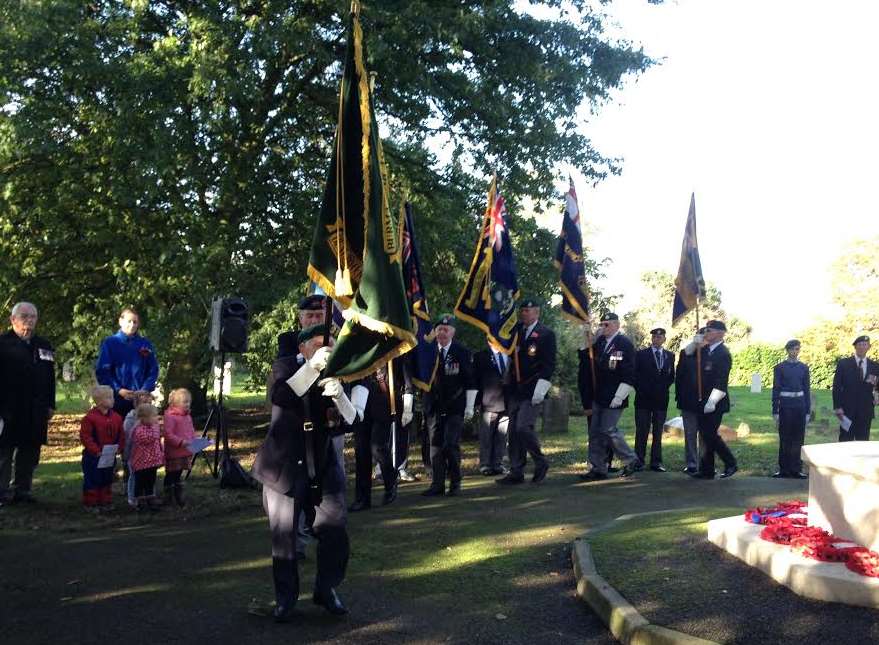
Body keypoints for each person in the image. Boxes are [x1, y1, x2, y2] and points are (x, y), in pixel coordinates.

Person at [251, 324, 355, 621]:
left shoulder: (339, 372)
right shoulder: (283, 367)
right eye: (321, 344)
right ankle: (285, 599)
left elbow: (350, 422)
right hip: (283, 466)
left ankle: (326, 589)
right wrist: (311, 368)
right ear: (303, 347)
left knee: (335, 531)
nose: (328, 350)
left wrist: (341, 398)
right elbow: (282, 396)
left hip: (322, 465)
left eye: (331, 345)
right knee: (284, 538)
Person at [0, 302, 56, 506]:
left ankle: (22, 490)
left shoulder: (44, 345)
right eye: (24, 316)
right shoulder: (3, 344)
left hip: (36, 408)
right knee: (4, 451)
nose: (29, 320)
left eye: (33, 316)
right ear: (13, 319)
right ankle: (2, 492)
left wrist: (50, 404)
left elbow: (50, 377)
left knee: (30, 451)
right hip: (8, 408)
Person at [498, 299, 554, 485]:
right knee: (513, 431)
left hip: (533, 388)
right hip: (516, 388)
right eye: (522, 311)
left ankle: (540, 461)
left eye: (528, 311)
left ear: (537, 313)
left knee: (523, 426)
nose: (524, 314)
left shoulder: (546, 334)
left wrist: (541, 389)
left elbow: (549, 365)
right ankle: (516, 470)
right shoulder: (516, 332)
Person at [578, 312, 639, 481]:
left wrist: (620, 396)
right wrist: (586, 343)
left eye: (607, 324)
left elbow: (630, 373)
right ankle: (598, 467)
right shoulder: (599, 343)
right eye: (602, 324)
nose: (603, 327)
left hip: (615, 395)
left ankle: (631, 459)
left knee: (608, 429)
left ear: (617, 325)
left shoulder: (624, 344)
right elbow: (586, 362)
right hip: (599, 395)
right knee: (595, 432)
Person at [349, 357, 413, 511]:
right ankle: (362, 498)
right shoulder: (359, 355)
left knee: (377, 448)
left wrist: (407, 408)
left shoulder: (394, 355)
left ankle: (390, 483)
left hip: (384, 406)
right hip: (360, 405)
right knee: (362, 452)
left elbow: (407, 383)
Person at [422, 315, 475, 496]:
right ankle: (437, 484)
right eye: (439, 329)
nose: (442, 332)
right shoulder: (427, 351)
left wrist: (470, 406)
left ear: (453, 332)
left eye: (446, 329)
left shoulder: (462, 352)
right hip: (433, 406)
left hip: (455, 406)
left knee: (450, 445)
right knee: (435, 446)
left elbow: (470, 380)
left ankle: (455, 482)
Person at [687, 320, 737, 479]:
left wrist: (712, 401)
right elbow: (687, 354)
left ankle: (730, 462)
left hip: (715, 401)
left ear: (721, 333)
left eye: (709, 330)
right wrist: (694, 344)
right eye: (706, 330)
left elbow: (721, 381)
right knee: (705, 434)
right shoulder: (706, 350)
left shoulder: (723, 353)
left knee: (709, 434)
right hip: (702, 400)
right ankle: (707, 470)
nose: (706, 333)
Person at [95, 308, 159, 417]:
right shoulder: (110, 343)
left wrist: (144, 389)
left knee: (142, 432)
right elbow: (103, 371)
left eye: (135, 322)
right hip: (116, 399)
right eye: (129, 321)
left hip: (141, 400)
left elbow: (153, 370)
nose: (132, 325)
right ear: (121, 321)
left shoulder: (145, 343)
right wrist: (118, 390)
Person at [633, 327, 675, 472]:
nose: (657, 339)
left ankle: (656, 462)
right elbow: (634, 375)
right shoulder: (641, 354)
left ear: (664, 339)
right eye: (654, 337)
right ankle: (638, 460)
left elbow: (671, 376)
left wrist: (661, 388)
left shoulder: (670, 355)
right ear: (651, 339)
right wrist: (642, 389)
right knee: (642, 431)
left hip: (661, 399)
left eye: (660, 337)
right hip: (643, 399)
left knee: (658, 432)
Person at [79, 385, 124, 511]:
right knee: (92, 478)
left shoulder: (116, 417)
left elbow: (121, 434)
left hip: (110, 454)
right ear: (99, 402)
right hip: (93, 456)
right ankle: (91, 502)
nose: (113, 400)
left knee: (107, 478)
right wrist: (95, 450)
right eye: (109, 398)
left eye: (112, 397)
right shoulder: (90, 418)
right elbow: (86, 437)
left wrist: (120, 447)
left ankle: (106, 501)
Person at [771, 340, 811, 478]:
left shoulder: (804, 368)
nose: (795, 352)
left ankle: (796, 469)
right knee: (785, 438)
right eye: (792, 349)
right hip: (786, 406)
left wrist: (807, 410)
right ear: (787, 350)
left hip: (799, 406)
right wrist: (775, 410)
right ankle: (784, 469)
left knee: (798, 438)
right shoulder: (779, 368)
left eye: (797, 349)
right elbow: (776, 389)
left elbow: (807, 390)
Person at [472, 338, 511, 476]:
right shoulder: (480, 356)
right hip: (488, 401)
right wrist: (475, 402)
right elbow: (475, 380)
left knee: (502, 436)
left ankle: (498, 463)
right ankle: (485, 464)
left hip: (506, 402)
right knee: (486, 435)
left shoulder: (510, 354)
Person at [832, 335, 879, 442]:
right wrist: (837, 407)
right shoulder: (844, 364)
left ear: (869, 347)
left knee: (863, 441)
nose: (862, 347)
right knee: (845, 440)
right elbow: (837, 387)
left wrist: (877, 394)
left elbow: (877, 385)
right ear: (855, 347)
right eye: (860, 344)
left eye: (865, 344)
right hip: (847, 411)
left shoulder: (875, 366)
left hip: (866, 411)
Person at [674, 328, 705, 474]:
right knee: (690, 434)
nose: (702, 340)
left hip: (706, 403)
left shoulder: (712, 354)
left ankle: (705, 463)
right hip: (688, 401)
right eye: (700, 337)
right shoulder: (686, 354)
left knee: (705, 435)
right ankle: (692, 463)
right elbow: (679, 377)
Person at [162, 388, 195, 507]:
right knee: (171, 473)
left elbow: (191, 430)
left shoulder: (187, 416)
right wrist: (181, 442)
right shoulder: (170, 416)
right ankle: (168, 497)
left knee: (179, 473)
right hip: (174, 451)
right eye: (185, 402)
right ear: (176, 403)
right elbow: (168, 434)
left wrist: (194, 441)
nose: (187, 404)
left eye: (189, 402)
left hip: (185, 450)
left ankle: (178, 496)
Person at [129, 403, 164, 511]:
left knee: (150, 481)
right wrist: (157, 429)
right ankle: (139, 501)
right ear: (144, 418)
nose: (156, 418)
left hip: (152, 462)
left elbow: (157, 441)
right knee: (140, 483)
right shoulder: (139, 429)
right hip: (142, 463)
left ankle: (150, 499)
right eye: (153, 416)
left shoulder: (152, 427)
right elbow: (148, 438)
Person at [123, 391, 155, 507]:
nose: (148, 405)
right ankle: (133, 499)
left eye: (150, 403)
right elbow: (128, 440)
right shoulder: (130, 420)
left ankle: (149, 497)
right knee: (135, 477)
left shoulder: (152, 419)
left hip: (150, 455)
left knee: (149, 477)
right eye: (145, 403)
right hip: (135, 455)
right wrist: (127, 456)